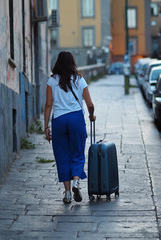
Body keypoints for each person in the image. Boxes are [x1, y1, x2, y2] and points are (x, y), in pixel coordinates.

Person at [44, 51, 96, 203]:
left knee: (62, 155)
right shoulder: (79, 79)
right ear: (73, 63)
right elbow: (90, 104)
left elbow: (48, 104)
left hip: (59, 120)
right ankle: (76, 182)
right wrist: (91, 115)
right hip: (76, 119)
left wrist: (46, 126)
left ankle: (67, 193)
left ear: (57, 63)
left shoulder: (52, 80)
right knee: (77, 152)